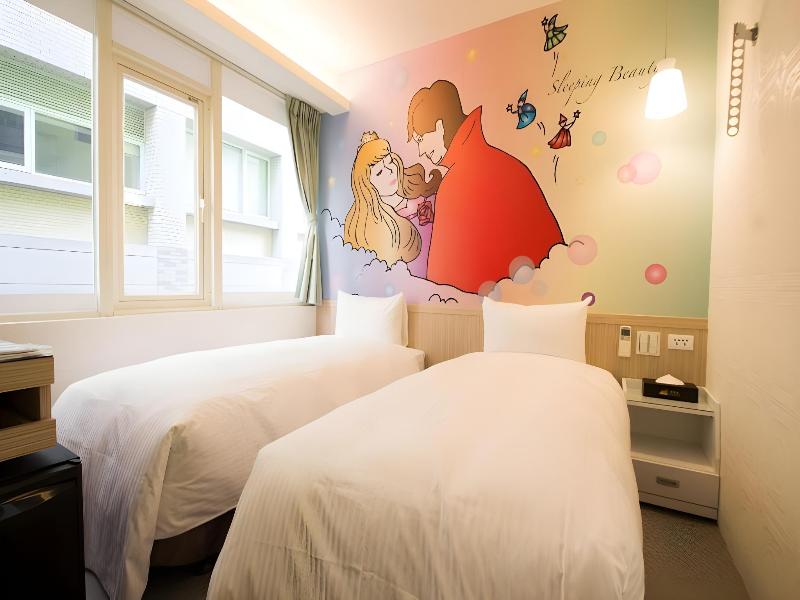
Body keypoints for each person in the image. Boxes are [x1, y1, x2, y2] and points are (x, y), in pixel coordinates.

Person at [407, 80, 564, 293]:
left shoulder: (454, 185)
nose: (421, 151)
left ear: (439, 126)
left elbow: (443, 286)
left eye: (420, 139)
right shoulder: (511, 166)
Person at [345, 132, 441, 276]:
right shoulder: (375, 224)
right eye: (379, 172)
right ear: (367, 184)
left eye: (390, 162)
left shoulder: (424, 199)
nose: (390, 170)